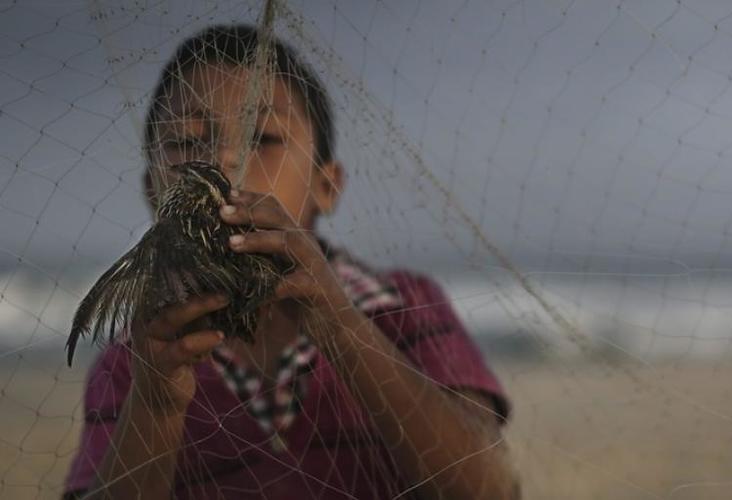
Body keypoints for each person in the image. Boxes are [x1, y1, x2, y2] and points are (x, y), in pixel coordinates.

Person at [63, 24, 516, 500]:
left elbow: (492, 488)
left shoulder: (406, 309)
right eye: (184, 142)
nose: (222, 161)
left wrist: (341, 327)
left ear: (327, 185)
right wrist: (154, 404)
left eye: (263, 138)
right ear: (154, 191)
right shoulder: (132, 362)